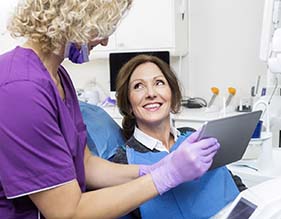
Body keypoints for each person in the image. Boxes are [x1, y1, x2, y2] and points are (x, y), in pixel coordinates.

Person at [0, 0, 221, 218]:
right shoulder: (20, 89)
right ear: (74, 18)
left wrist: (155, 167)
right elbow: (67, 212)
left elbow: (86, 164)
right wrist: (165, 176)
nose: (105, 41)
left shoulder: (58, 76)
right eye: (102, 28)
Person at [111, 54, 245, 219]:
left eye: (159, 83)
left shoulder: (194, 135)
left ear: (173, 95)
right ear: (128, 104)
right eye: (139, 86)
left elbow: (232, 182)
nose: (151, 93)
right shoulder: (123, 162)